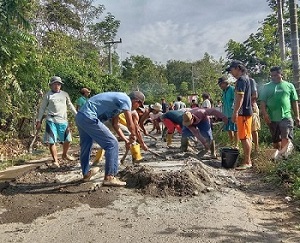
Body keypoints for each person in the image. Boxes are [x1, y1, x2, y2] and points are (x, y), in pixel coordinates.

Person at [75, 91, 145, 185]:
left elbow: (115, 125)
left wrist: (126, 139)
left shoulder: (118, 104)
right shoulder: (126, 99)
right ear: (137, 101)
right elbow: (130, 123)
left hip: (81, 117)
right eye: (138, 106)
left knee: (86, 146)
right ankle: (110, 177)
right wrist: (133, 134)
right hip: (89, 116)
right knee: (112, 144)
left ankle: (86, 174)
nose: (136, 108)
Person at [36, 76, 77, 168]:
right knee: (51, 141)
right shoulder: (48, 95)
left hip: (63, 120)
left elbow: (70, 105)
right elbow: (42, 108)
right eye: (55, 84)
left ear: (60, 85)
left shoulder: (65, 94)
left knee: (68, 140)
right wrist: (38, 120)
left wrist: (77, 115)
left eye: (58, 84)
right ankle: (55, 161)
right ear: (51, 85)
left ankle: (64, 154)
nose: (56, 86)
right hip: (51, 120)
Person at [259, 66, 299, 159]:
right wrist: (265, 114)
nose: (273, 77)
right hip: (272, 118)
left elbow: (294, 101)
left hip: (286, 116)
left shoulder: (289, 86)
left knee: (286, 138)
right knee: (276, 141)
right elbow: (263, 102)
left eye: (276, 75)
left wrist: (297, 116)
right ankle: (277, 159)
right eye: (272, 76)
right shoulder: (266, 87)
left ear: (281, 75)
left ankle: (285, 159)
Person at [226, 60, 253, 170]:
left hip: (243, 113)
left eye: (231, 70)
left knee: (244, 137)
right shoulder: (246, 79)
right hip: (246, 112)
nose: (231, 73)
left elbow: (240, 97)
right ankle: (247, 160)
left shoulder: (242, 80)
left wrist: (235, 112)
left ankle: (247, 161)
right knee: (246, 136)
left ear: (237, 68)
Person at [217, 76, 238, 148]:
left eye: (220, 84)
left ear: (225, 83)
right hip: (226, 114)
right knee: (229, 129)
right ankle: (231, 143)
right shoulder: (224, 92)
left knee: (235, 129)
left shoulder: (232, 89)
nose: (220, 86)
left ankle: (236, 144)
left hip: (233, 113)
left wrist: (235, 112)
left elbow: (236, 101)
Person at [249, 78, 261, 153]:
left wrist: (247, 101)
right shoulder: (239, 81)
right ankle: (250, 146)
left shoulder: (251, 81)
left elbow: (255, 96)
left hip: (252, 107)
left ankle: (256, 147)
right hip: (244, 108)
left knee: (254, 129)